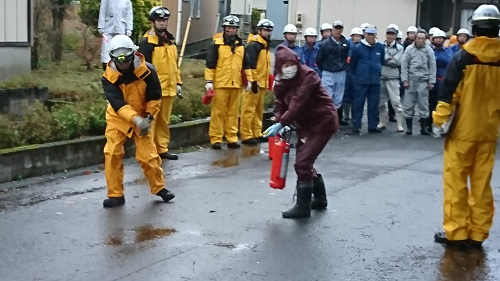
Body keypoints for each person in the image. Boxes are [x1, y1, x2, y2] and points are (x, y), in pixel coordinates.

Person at [432, 4, 500, 248]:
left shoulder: (464, 56)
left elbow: (449, 92)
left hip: (463, 131)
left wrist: (439, 122)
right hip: (489, 131)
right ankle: (478, 233)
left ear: (475, 26)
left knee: (456, 182)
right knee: (482, 184)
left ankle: (458, 233)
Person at [263, 45, 338, 219]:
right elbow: (280, 104)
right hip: (305, 124)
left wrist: (282, 123)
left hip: (322, 122)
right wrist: (279, 118)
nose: (290, 68)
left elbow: (298, 101)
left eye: (292, 63)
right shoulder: (280, 82)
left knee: (302, 163)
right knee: (304, 162)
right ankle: (319, 199)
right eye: (285, 65)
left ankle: (303, 207)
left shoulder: (308, 76)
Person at [101, 35, 175, 208]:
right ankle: (115, 195)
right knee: (112, 154)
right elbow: (118, 104)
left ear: (133, 55)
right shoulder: (108, 76)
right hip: (118, 118)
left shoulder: (148, 71)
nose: (123, 65)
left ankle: (159, 188)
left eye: (126, 61)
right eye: (119, 62)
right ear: (112, 58)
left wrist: (148, 118)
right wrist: (135, 119)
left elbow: (155, 96)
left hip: (143, 116)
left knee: (148, 155)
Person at [138, 6, 182, 161]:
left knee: (164, 121)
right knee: (151, 122)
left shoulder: (170, 42)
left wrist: (178, 83)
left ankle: (162, 148)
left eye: (164, 20)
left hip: (169, 89)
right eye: (159, 20)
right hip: (154, 91)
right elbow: (142, 69)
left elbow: (175, 66)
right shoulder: (147, 43)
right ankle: (148, 151)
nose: (162, 23)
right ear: (153, 22)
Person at [205, 15, 253, 149]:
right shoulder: (216, 46)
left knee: (233, 113)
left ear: (236, 29)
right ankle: (216, 138)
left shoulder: (241, 46)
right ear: (225, 28)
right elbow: (210, 64)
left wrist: (249, 81)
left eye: (233, 28)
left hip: (236, 84)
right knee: (218, 113)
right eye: (229, 27)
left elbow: (246, 65)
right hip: (220, 84)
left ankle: (231, 137)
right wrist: (209, 81)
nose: (231, 30)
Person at [240, 19, 273, 146]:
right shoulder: (255, 45)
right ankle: (246, 135)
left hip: (262, 83)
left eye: (269, 30)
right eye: (265, 30)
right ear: (259, 31)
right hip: (255, 83)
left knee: (258, 109)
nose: (267, 32)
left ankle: (256, 132)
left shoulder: (265, 46)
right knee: (248, 109)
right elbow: (250, 65)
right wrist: (252, 81)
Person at [350, 25, 385, 134]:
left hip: (375, 80)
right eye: (368, 34)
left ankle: (372, 125)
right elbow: (353, 64)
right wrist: (358, 75)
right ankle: (356, 125)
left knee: (373, 104)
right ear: (365, 34)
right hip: (361, 80)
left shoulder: (380, 47)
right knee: (358, 103)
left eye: (372, 34)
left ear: (375, 35)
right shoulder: (358, 47)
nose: (370, 36)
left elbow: (382, 60)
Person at [401, 29, 436, 135]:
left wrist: (431, 81)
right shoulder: (409, 49)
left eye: (422, 38)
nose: (420, 40)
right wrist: (405, 80)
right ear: (415, 39)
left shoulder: (429, 50)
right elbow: (404, 65)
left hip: (423, 82)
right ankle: (409, 128)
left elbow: (432, 65)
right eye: (418, 38)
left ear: (425, 39)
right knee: (408, 105)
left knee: (424, 105)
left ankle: (424, 128)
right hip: (411, 81)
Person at [316, 20, 350, 112]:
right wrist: (326, 68)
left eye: (340, 28)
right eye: (336, 28)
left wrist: (345, 67)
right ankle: (326, 122)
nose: (337, 31)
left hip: (341, 73)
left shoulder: (346, 43)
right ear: (332, 29)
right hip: (328, 73)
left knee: (338, 99)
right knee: (327, 98)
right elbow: (319, 59)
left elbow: (347, 57)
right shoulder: (325, 44)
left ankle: (334, 122)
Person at [378, 26, 405, 132]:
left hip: (393, 77)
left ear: (395, 36)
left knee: (396, 102)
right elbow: (379, 59)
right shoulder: (380, 46)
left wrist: (385, 59)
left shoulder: (400, 48)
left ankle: (399, 124)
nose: (390, 36)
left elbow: (397, 62)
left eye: (392, 34)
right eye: (388, 34)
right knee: (380, 102)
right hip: (381, 76)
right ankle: (382, 122)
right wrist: (389, 58)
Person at [98, 0, 133, 71]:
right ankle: (107, 71)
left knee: (120, 50)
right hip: (107, 28)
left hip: (121, 28)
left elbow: (129, 14)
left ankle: (120, 70)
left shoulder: (127, 1)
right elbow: (102, 11)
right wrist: (101, 26)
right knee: (106, 51)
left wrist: (129, 28)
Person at [428, 29, 453, 130]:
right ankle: (428, 124)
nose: (438, 40)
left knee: (442, 103)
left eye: (440, 38)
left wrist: (437, 61)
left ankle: (441, 125)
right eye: (437, 38)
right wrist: (440, 61)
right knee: (430, 103)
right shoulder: (429, 50)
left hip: (443, 81)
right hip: (430, 81)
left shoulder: (448, 51)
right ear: (432, 39)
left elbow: (449, 61)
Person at [343, 27, 364, 124]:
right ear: (352, 36)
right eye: (356, 36)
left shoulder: (363, 46)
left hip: (357, 73)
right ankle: (346, 115)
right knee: (346, 94)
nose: (358, 38)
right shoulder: (347, 44)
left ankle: (354, 116)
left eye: (359, 36)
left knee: (356, 96)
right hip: (347, 72)